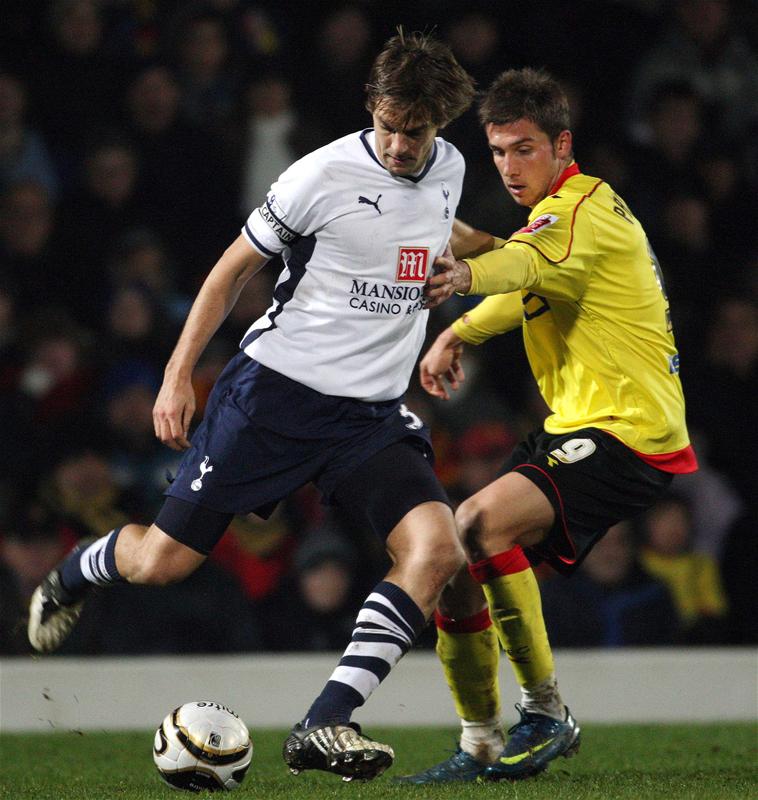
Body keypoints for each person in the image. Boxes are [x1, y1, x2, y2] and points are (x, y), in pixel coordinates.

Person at [27, 30, 476, 782]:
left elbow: (450, 232)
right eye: (389, 125)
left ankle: (324, 722)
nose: (399, 145)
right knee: (164, 563)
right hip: (272, 400)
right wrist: (178, 376)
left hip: (364, 418)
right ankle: (80, 568)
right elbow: (229, 272)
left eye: (416, 131)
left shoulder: (451, 170)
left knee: (436, 549)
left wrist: (476, 268)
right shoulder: (321, 175)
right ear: (372, 107)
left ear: (442, 126)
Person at [401, 67, 698, 783]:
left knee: (473, 522)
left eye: (524, 148)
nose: (508, 166)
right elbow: (534, 280)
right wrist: (460, 334)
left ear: (562, 145)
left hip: (629, 431)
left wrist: (462, 283)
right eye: (498, 151)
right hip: (584, 427)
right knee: (456, 565)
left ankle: (544, 711)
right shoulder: (562, 215)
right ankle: (479, 743)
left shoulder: (580, 211)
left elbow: (520, 266)